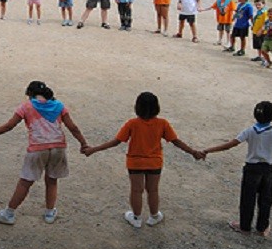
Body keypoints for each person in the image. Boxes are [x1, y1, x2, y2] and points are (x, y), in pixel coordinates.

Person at [82, 92, 203, 228]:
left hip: (135, 162)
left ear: (137, 107)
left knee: (136, 190)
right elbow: (176, 141)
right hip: (154, 162)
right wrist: (192, 152)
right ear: (157, 107)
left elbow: (116, 141)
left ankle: (136, 218)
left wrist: (93, 149)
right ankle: (154, 216)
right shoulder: (162, 124)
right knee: (153, 190)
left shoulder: (132, 124)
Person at [0, 81, 88, 225]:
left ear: (30, 94)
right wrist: (83, 143)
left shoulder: (26, 106)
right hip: (58, 147)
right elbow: (73, 127)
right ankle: (49, 212)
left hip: (38, 148)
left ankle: (9, 213)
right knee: (52, 180)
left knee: (25, 182)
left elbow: (9, 126)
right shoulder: (59, 106)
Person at [201, 101, 272, 236]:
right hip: (268, 169)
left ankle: (245, 226)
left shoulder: (249, 131)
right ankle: (262, 227)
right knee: (266, 199)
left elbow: (229, 145)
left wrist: (208, 150)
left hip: (251, 168)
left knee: (248, 198)